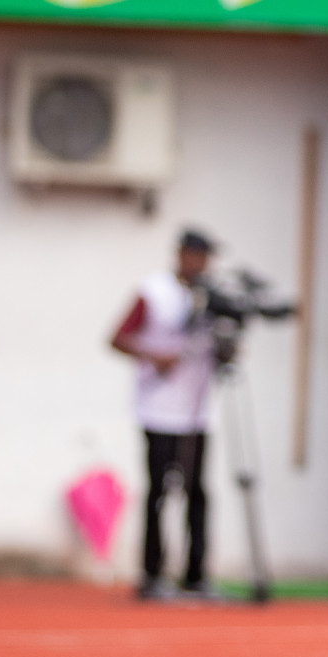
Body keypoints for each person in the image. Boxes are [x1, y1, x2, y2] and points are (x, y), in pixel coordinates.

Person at [110, 229, 221, 600]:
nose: (200, 264)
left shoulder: (213, 298)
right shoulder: (154, 291)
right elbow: (118, 337)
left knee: (198, 494)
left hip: (197, 412)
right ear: (181, 254)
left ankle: (196, 574)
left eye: (206, 257)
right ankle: (152, 574)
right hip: (158, 410)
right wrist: (156, 356)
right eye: (195, 255)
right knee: (158, 491)